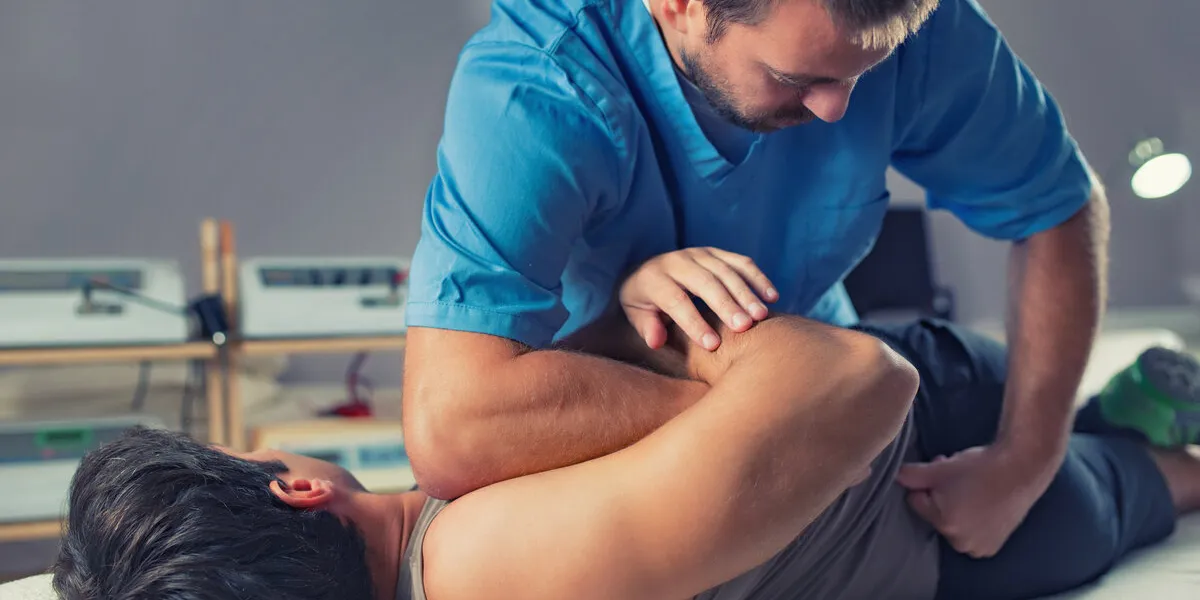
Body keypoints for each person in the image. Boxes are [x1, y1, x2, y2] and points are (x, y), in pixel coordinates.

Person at [402, 0, 1112, 566]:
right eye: (796, 78)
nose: (836, 110)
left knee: (1073, 519)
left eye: (863, 73)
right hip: (714, 398)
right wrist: (772, 415)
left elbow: (1059, 204)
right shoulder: (539, 86)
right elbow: (453, 427)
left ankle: (1144, 429)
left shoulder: (909, 22)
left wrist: (1027, 460)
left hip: (863, 380)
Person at [52, 254, 1200, 600]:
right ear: (296, 487)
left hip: (926, 434)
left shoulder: (453, 520)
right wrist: (675, 341)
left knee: (1082, 418)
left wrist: (636, 306)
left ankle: (1127, 400)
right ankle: (1144, 414)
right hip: (951, 496)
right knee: (1163, 476)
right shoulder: (476, 563)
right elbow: (860, 379)